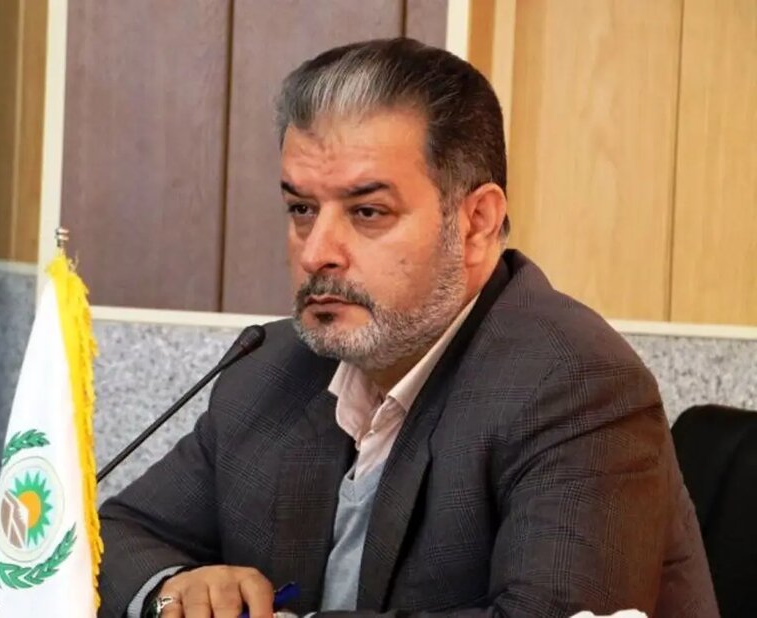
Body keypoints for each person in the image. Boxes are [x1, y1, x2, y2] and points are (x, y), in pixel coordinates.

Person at [98, 38, 716, 618]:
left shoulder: (574, 385)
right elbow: (111, 539)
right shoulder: (271, 367)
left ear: (476, 223)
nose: (316, 252)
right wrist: (171, 591)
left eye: (368, 212)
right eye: (301, 209)